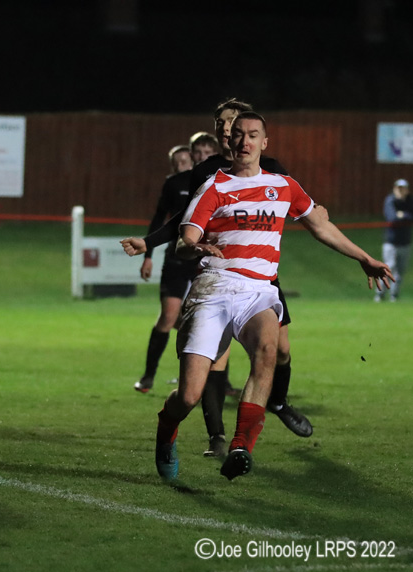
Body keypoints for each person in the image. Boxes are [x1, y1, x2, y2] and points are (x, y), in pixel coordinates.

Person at [155, 112, 392, 482]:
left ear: (264, 142)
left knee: (269, 347)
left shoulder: (283, 185)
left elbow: (321, 226)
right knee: (188, 396)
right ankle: (166, 430)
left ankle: (241, 447)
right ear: (229, 142)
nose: (245, 141)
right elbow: (184, 244)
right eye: (238, 135)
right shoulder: (213, 187)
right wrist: (196, 247)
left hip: (258, 291)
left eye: (253, 135)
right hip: (212, 290)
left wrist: (364, 258)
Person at [123, 99, 313, 457]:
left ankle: (278, 402)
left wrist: (318, 215)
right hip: (217, 274)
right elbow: (186, 218)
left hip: (261, 278)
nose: (226, 129)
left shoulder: (272, 170)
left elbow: (299, 205)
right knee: (212, 364)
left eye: (232, 122)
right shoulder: (208, 173)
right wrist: (151, 243)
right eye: (221, 123)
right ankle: (218, 438)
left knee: (280, 350)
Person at [134, 133, 219, 394]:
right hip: (177, 258)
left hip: (207, 260)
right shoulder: (176, 183)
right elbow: (161, 218)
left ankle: (218, 382)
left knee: (208, 322)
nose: (202, 157)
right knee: (169, 316)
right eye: (198, 152)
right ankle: (148, 376)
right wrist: (148, 254)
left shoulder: (221, 182)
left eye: (208, 152)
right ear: (192, 154)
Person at [375, 178, 412, 302]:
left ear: (407, 190)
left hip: (405, 243)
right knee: (388, 268)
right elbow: (392, 218)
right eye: (398, 189)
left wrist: (402, 215)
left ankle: (394, 295)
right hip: (391, 242)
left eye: (403, 189)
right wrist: (403, 216)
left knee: (400, 271)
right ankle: (380, 294)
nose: (401, 191)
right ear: (395, 189)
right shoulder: (390, 200)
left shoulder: (410, 201)